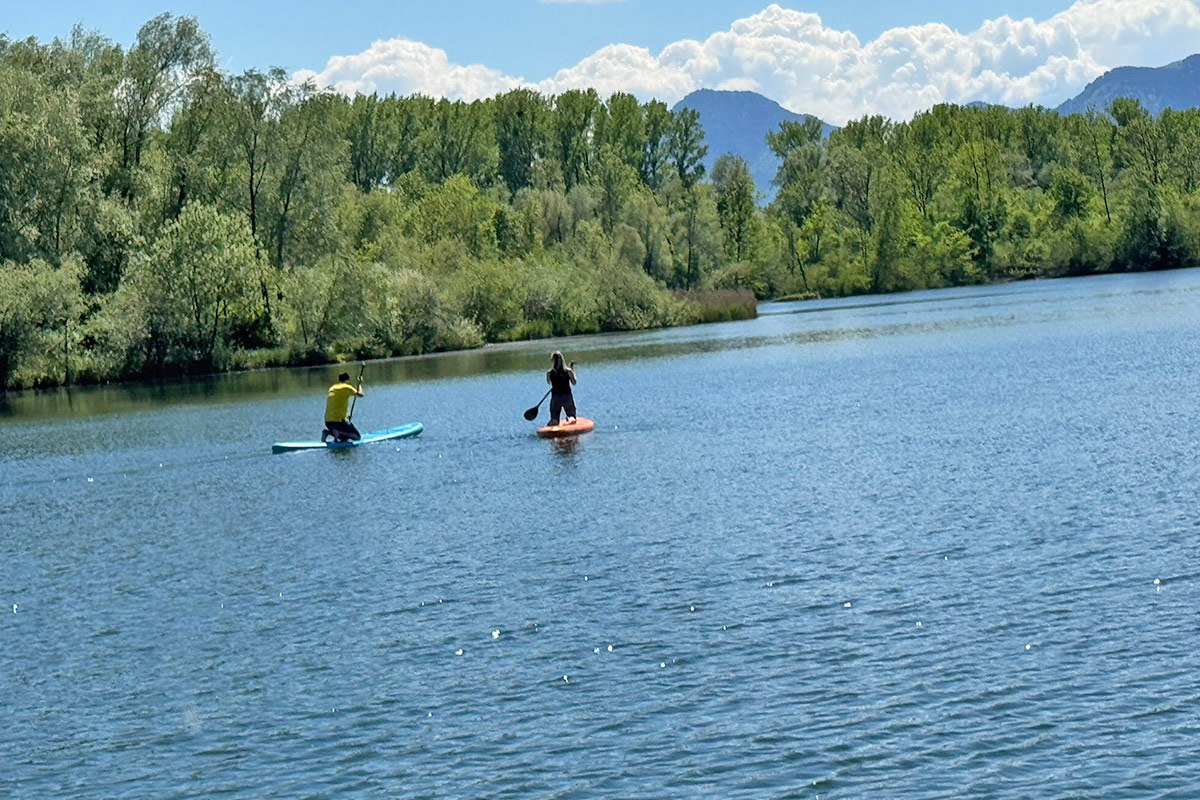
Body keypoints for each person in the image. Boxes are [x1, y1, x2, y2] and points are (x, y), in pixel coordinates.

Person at [322, 371, 364, 442]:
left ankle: (330, 432)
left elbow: (337, 404)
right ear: (347, 380)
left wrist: (346, 416)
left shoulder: (332, 388)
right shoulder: (346, 387)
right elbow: (360, 394)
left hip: (328, 422)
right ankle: (337, 432)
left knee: (345, 438)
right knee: (357, 437)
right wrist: (359, 384)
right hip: (338, 422)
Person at [545, 351, 577, 426]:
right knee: (571, 415)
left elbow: (549, 382)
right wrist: (572, 371)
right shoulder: (568, 371)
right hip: (567, 396)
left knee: (554, 419)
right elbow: (574, 382)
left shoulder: (549, 373)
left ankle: (553, 421)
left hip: (555, 397)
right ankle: (570, 419)